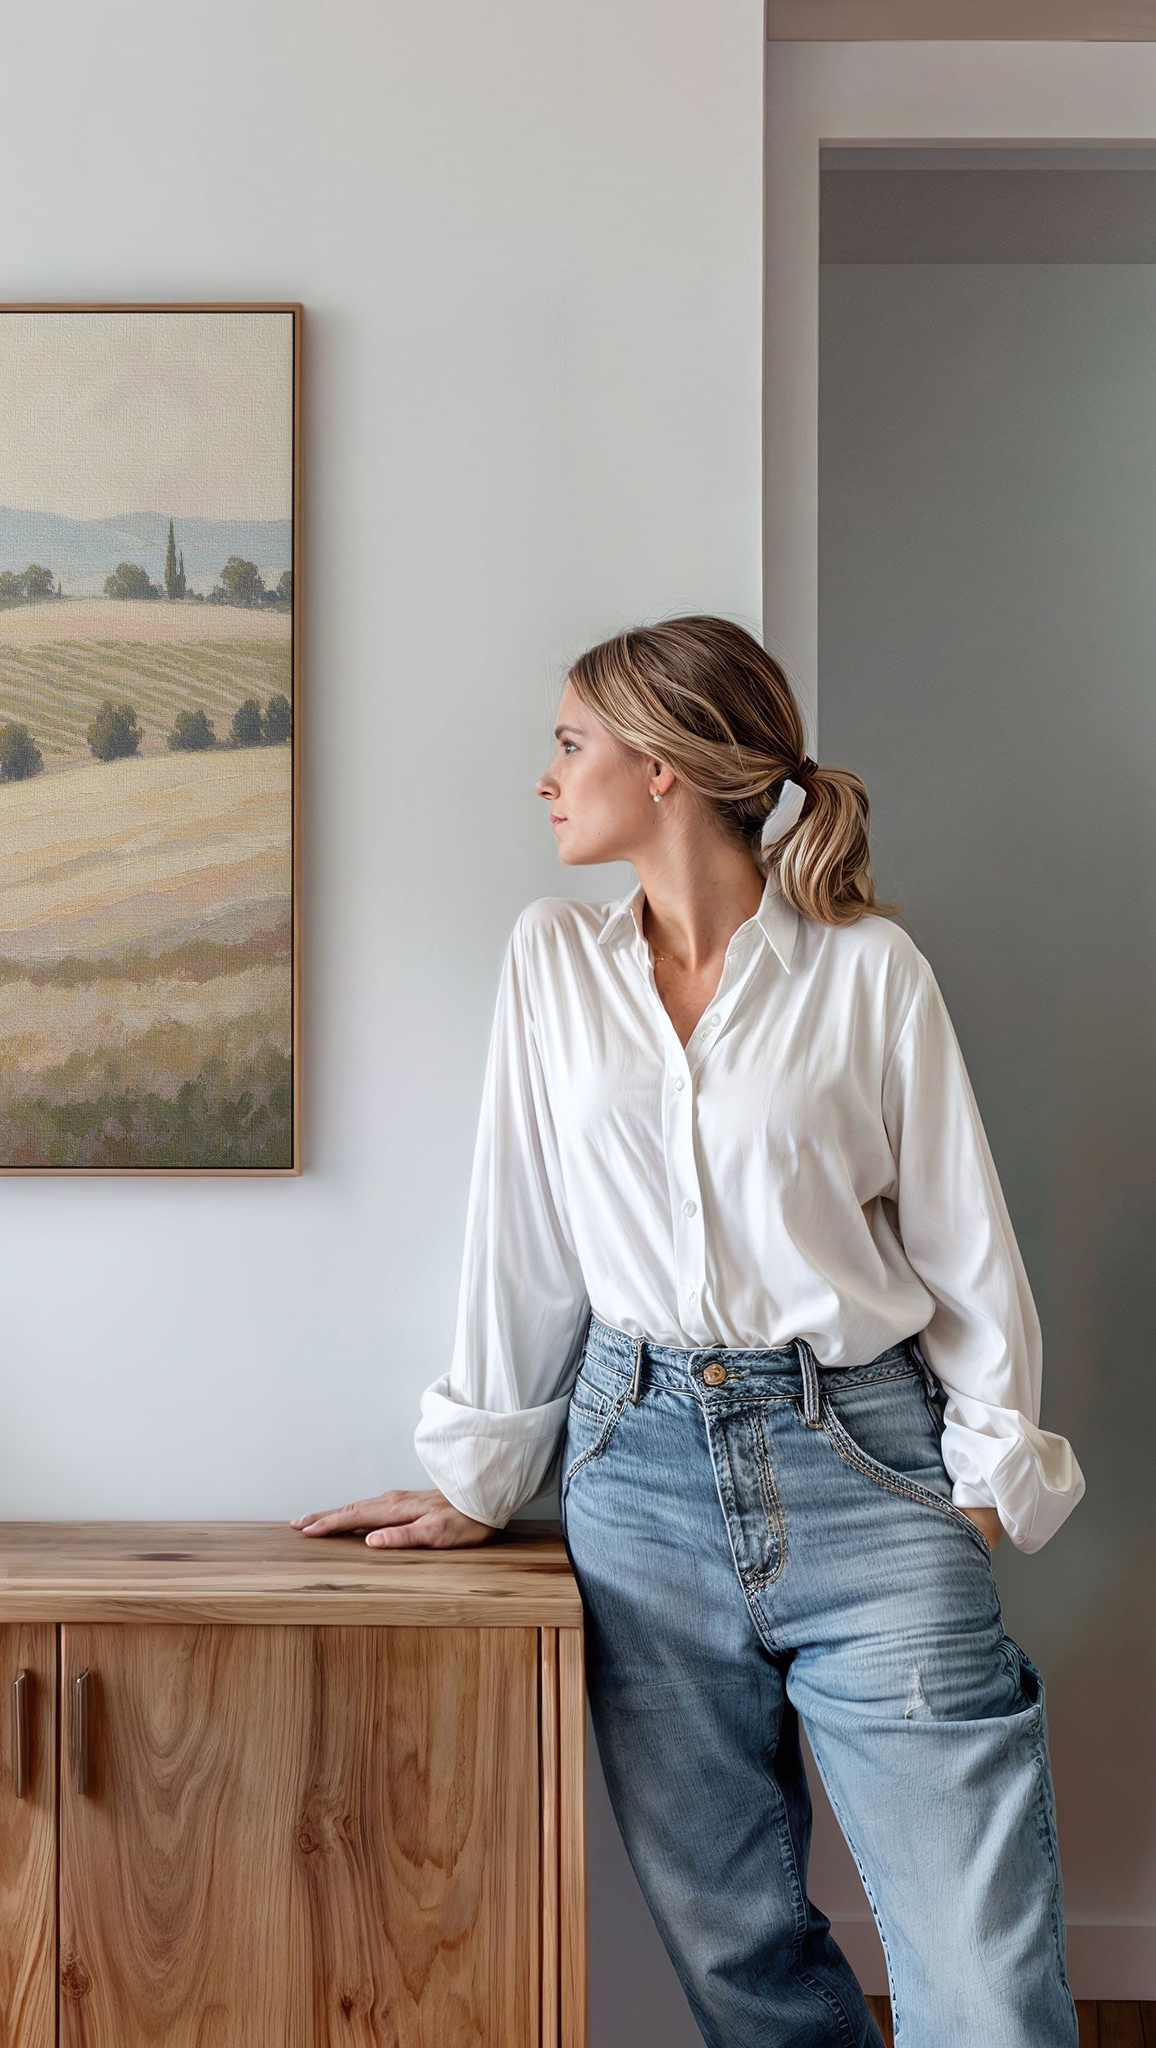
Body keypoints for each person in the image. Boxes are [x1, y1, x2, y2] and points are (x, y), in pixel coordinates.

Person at [292, 616, 1084, 2047]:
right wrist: (481, 1473)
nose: (546, 778)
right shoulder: (552, 961)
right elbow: (522, 1233)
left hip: (866, 1464)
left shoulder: (868, 971)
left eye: (570, 744)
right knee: (739, 1957)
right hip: (638, 1478)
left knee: (982, 1978)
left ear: (662, 767)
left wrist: (979, 1488)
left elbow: (965, 1243)